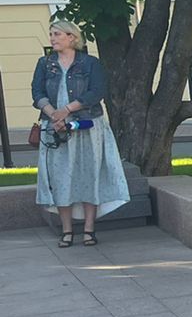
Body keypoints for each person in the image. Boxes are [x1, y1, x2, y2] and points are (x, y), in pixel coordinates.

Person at [31, 20, 128, 246]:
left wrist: (67, 110)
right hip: (54, 126)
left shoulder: (90, 63)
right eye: (51, 34)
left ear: (72, 37)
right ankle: (66, 230)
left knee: (88, 175)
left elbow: (96, 92)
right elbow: (37, 92)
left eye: (57, 34)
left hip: (86, 125)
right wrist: (54, 115)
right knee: (60, 178)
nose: (52, 38)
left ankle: (89, 229)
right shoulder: (45, 63)